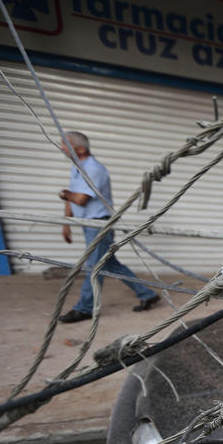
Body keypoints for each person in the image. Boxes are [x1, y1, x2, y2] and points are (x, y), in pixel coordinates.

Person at [57, 131, 159, 323]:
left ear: (80, 149)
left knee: (94, 267)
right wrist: (66, 224)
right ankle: (147, 294)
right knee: (110, 265)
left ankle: (85, 308)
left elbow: (79, 198)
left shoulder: (94, 168)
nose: (61, 147)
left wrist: (63, 194)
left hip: (100, 225)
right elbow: (73, 196)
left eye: (65, 144)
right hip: (88, 225)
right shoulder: (77, 167)